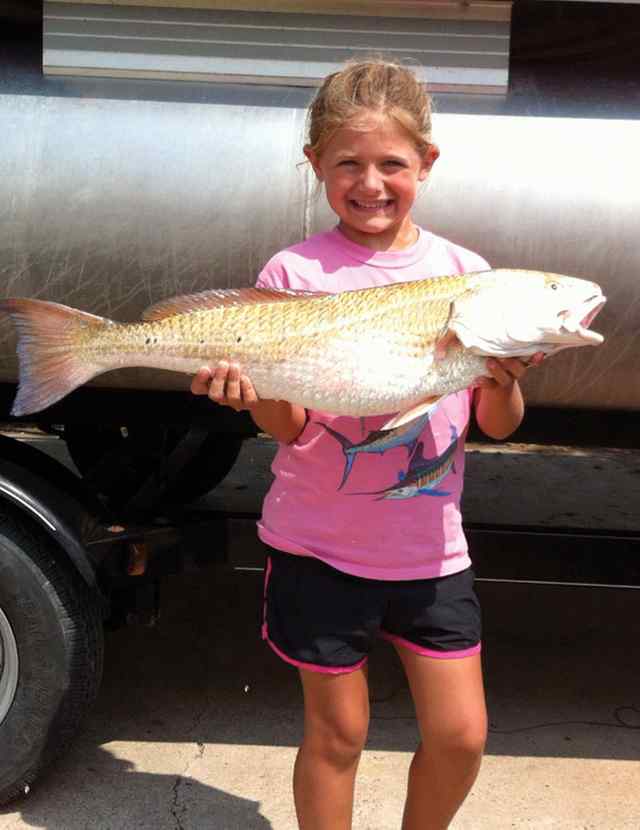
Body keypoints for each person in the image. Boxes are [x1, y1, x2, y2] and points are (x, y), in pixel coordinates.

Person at [191, 59, 542, 830]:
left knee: (461, 736)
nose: (370, 182)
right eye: (347, 163)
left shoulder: (466, 277)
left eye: (392, 163)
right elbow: (289, 427)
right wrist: (251, 395)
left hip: (430, 550)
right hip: (317, 544)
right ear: (315, 164)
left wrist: (506, 376)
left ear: (427, 164)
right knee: (338, 733)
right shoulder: (294, 272)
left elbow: (499, 424)